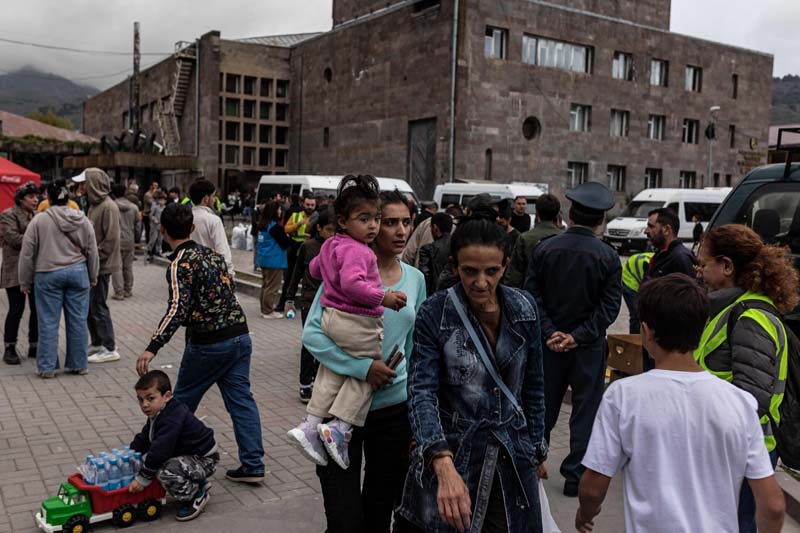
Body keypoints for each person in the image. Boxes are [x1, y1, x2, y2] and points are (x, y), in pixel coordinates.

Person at [577, 274, 785, 533]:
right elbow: (773, 506)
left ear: (646, 331)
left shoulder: (623, 396)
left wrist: (585, 514)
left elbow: (593, 485)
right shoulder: (741, 402)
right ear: (702, 328)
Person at [397, 214, 547, 533]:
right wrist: (440, 459)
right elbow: (421, 393)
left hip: (512, 457)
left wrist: (535, 449)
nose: (481, 282)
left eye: (492, 271)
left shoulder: (524, 309)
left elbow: (533, 389)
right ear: (454, 266)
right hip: (455, 453)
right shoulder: (435, 313)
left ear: (505, 266)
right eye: (470, 271)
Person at [301, 190, 425, 533]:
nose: (400, 231)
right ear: (365, 224)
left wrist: (419, 410)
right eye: (389, 222)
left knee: (379, 512)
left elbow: (415, 348)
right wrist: (363, 368)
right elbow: (312, 335)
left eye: (406, 222)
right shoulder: (345, 275)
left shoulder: (415, 279)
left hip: (393, 412)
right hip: (339, 412)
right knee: (344, 519)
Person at [136, 203, 265, 483]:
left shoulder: (179, 263)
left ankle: (153, 458)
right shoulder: (213, 256)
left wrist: (153, 346)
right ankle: (253, 464)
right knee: (242, 402)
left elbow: (177, 309)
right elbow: (228, 290)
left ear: (162, 229)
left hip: (208, 344)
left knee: (175, 404)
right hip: (240, 336)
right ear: (192, 228)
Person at [286, 175, 408, 470]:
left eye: (376, 219)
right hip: (356, 320)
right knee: (369, 367)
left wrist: (331, 276)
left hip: (334, 318)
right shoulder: (358, 251)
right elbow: (354, 285)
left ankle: (311, 423)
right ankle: (340, 426)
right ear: (342, 221)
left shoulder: (332, 245)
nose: (373, 226)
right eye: (365, 219)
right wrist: (384, 298)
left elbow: (314, 269)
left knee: (330, 371)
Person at [694, 224, 798, 533]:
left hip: (743, 452)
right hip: (729, 449)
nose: (699, 272)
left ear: (726, 266)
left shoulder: (751, 318)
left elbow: (751, 400)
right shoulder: (733, 309)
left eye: (703, 264)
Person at [524, 181, 621, 497]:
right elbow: (609, 307)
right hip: (588, 349)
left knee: (542, 407)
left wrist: (551, 331)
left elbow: (531, 296)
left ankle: (531, 465)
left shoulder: (545, 249)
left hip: (548, 346)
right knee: (584, 412)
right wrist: (578, 336)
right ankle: (574, 477)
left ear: (568, 213)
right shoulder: (607, 256)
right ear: (600, 221)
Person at [18, 179, 99, 378]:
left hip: (47, 274)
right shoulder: (82, 219)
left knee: (47, 321)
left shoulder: (39, 220)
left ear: (49, 198)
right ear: (68, 198)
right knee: (78, 320)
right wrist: (93, 275)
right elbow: (92, 250)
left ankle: (47, 367)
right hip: (78, 273)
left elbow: (27, 253)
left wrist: (24, 281)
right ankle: (78, 364)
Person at [128, 370, 219, 522]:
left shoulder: (171, 418)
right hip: (192, 456)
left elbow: (159, 450)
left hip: (205, 459)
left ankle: (195, 496)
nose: (145, 404)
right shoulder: (159, 412)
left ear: (167, 396)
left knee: (164, 471)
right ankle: (197, 481)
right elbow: (145, 437)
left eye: (150, 398)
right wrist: (129, 453)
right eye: (140, 399)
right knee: (154, 462)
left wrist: (143, 478)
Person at [284, 207, 336, 403]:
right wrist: (289, 299)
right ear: (320, 228)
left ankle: (319, 381)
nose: (332, 234)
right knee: (309, 343)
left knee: (328, 343)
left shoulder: (339, 247)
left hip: (331, 301)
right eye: (329, 230)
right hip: (309, 300)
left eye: (335, 230)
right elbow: (295, 274)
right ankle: (305, 384)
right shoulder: (308, 247)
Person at [84, 168, 122, 364]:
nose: (82, 187)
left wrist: (95, 257)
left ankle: (109, 346)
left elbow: (111, 240)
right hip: (93, 264)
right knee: (91, 306)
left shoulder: (109, 207)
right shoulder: (93, 205)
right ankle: (97, 341)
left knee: (99, 305)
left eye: (85, 182)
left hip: (102, 266)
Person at [1, 182, 40, 364]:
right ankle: (9, 347)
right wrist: (36, 238)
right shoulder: (8, 215)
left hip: (34, 270)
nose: (35, 200)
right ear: (21, 199)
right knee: (16, 309)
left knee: (36, 309)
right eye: (31, 197)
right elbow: (13, 238)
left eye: (36, 196)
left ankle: (35, 345)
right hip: (14, 270)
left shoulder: (37, 215)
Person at [503, 193, 562, 288]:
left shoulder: (525, 238)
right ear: (556, 214)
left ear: (537, 213)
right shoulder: (564, 238)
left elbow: (515, 274)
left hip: (530, 293)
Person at [279, 194, 317, 309]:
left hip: (309, 252)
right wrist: (298, 224)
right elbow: (286, 229)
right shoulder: (296, 216)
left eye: (312, 205)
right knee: (289, 279)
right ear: (303, 204)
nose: (310, 207)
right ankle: (283, 303)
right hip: (294, 249)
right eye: (308, 204)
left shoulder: (317, 218)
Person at [188, 179, 234, 274]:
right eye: (213, 196)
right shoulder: (213, 220)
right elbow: (223, 253)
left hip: (190, 271)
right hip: (209, 274)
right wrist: (229, 275)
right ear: (206, 199)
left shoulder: (186, 218)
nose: (215, 199)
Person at [257, 201, 292, 319]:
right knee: (272, 287)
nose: (280, 211)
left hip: (264, 259)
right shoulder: (275, 227)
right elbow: (285, 243)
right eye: (279, 209)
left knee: (266, 285)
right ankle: (268, 311)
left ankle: (264, 309)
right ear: (274, 211)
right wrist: (288, 237)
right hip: (274, 260)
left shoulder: (263, 225)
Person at [644, 207, 697, 280]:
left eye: (651, 226)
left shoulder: (681, 258)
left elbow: (691, 289)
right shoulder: (660, 255)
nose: (646, 231)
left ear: (666, 229)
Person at [111, 183, 140, 300]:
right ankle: (128, 289)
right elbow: (138, 226)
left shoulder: (111, 207)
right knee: (128, 266)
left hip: (115, 239)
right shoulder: (134, 207)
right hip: (129, 239)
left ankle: (119, 291)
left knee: (116, 266)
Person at [417, 212, 452, 296]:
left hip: (435, 295)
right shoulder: (459, 247)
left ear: (435, 228)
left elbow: (425, 276)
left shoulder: (428, 249)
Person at [620, 252, 654, 334]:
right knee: (637, 314)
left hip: (637, 274)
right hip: (628, 279)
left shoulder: (663, 262)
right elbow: (646, 287)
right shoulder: (649, 264)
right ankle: (635, 339)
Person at [147, 191, 167, 260]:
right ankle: (149, 250)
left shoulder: (165, 208)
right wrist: (154, 219)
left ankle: (158, 251)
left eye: (163, 200)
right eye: (160, 200)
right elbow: (150, 215)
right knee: (153, 238)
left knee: (160, 239)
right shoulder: (155, 207)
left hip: (161, 225)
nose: (162, 201)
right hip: (154, 225)